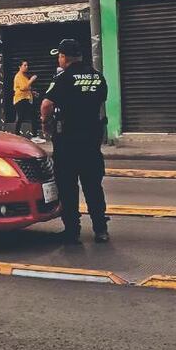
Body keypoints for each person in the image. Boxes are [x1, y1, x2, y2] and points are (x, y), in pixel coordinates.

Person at [40, 39, 109, 244]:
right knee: (94, 187)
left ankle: (72, 231)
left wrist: (46, 126)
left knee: (68, 189)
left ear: (64, 57)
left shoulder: (65, 77)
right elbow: (100, 102)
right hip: (91, 143)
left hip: (68, 142)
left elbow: (46, 105)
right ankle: (101, 230)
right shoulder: (97, 77)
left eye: (59, 56)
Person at [12, 61, 45, 143]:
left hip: (26, 99)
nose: (26, 67)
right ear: (20, 66)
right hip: (21, 99)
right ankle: (19, 136)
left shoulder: (24, 76)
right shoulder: (18, 76)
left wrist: (33, 92)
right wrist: (32, 80)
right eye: (24, 65)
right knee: (21, 117)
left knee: (31, 116)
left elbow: (26, 88)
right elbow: (23, 87)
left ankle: (33, 136)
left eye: (27, 65)